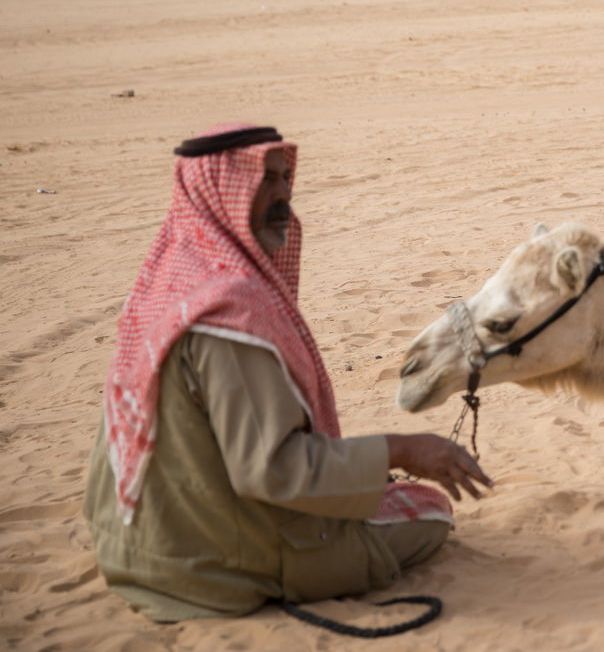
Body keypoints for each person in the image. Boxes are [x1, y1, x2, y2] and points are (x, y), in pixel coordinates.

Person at [83, 123, 493, 622]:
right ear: (218, 189)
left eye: (283, 177)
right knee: (427, 508)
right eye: (263, 179)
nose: (281, 194)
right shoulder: (230, 316)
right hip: (210, 570)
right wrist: (405, 449)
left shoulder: (170, 286)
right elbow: (270, 469)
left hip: (132, 547)